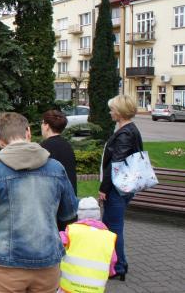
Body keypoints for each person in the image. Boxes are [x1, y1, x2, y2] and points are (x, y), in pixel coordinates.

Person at [0, 112, 78, 293]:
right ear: (28, 132)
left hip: (3, 268)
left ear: (0, 141)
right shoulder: (56, 168)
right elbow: (69, 214)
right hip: (47, 265)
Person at [98, 94, 142, 281]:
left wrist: (103, 188)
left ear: (120, 112)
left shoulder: (125, 133)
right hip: (122, 186)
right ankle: (116, 263)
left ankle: (119, 266)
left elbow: (116, 164)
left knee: (113, 228)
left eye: (112, 109)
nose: (110, 112)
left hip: (117, 188)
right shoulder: (128, 129)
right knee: (110, 226)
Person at [58, 197, 117, 293]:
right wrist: (110, 272)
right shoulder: (109, 237)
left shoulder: (71, 231)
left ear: (78, 216)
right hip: (95, 288)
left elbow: (57, 245)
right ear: (99, 216)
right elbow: (112, 260)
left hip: (69, 286)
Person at [40, 109, 78, 231]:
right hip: (68, 201)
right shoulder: (67, 146)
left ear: (46, 126)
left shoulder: (43, 148)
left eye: (42, 123)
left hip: (51, 205)